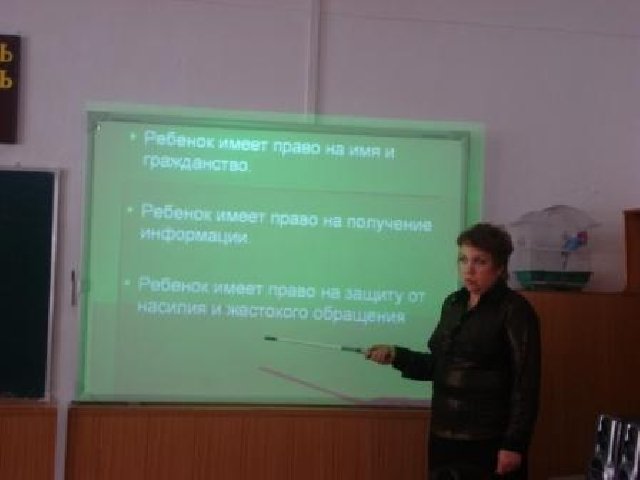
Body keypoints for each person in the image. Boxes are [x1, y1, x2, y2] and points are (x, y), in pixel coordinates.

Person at [366, 223, 540, 479]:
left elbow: (526, 384)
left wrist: (514, 444)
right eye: (463, 259)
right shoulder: (453, 303)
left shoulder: (514, 310)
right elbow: (440, 366)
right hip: (443, 434)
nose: (469, 269)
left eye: (479, 261)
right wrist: (396, 355)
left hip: (488, 438)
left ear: (500, 267)